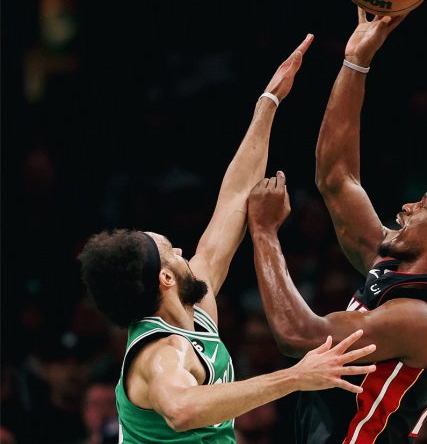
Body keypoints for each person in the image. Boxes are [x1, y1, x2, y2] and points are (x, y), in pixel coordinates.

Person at [78, 34, 377, 444]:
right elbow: (181, 410)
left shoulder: (194, 305)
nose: (183, 251)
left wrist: (268, 103)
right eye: (172, 251)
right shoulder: (161, 354)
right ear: (165, 279)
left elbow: (235, 197)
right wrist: (294, 377)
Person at [246, 8, 427, 443]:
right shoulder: (398, 262)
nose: (404, 208)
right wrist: (356, 62)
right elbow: (337, 177)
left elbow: (299, 336)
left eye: (421, 206)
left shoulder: (421, 318)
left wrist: (265, 233)